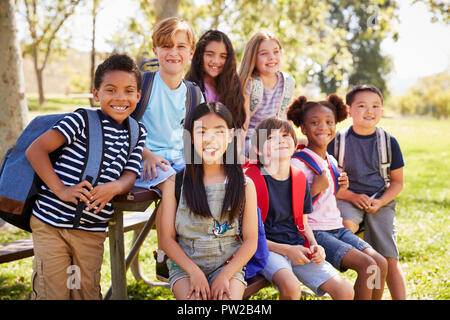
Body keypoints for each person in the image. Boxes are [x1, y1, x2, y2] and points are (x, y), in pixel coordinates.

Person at [25, 54, 147, 299]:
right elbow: (36, 150)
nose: (120, 97)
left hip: (91, 229)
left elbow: (130, 174)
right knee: (55, 293)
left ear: (138, 96)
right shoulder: (80, 120)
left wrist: (115, 187)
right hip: (51, 223)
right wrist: (61, 190)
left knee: (86, 291)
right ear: (96, 94)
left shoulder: (137, 132)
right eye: (110, 90)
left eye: (128, 91)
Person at [288, 94, 388, 300]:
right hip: (316, 232)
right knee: (368, 266)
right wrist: (315, 189)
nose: (323, 127)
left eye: (328, 122)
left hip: (337, 227)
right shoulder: (297, 164)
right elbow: (290, 207)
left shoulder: (331, 160)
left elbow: (327, 196)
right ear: (304, 129)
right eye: (314, 123)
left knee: (381, 263)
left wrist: (340, 187)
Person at [158, 102, 258, 300]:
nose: (210, 139)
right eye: (202, 132)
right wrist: (194, 273)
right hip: (185, 267)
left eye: (219, 132)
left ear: (230, 136)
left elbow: (251, 240)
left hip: (228, 266)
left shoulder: (245, 184)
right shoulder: (175, 183)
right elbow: (166, 239)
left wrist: (225, 275)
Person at [248, 117, 354, 300]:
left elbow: (303, 223)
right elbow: (246, 235)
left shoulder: (299, 178)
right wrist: (287, 250)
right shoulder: (250, 181)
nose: (280, 140)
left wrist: (314, 245)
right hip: (265, 248)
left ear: (295, 144)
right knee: (291, 287)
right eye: (271, 138)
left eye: (285, 135)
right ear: (258, 149)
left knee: (345, 291)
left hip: (297, 247)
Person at [327, 84, 407, 300]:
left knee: (388, 258)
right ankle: (355, 278)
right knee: (347, 228)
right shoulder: (337, 141)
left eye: (375, 106)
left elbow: (397, 183)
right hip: (346, 197)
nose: (369, 111)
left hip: (380, 201)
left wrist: (380, 202)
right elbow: (327, 182)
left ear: (382, 110)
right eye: (362, 106)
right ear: (349, 110)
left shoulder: (389, 143)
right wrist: (351, 196)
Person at [134, 16, 202, 191]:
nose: (173, 52)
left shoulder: (194, 93)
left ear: (191, 52)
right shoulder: (141, 86)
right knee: (172, 183)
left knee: (224, 181)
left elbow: (202, 133)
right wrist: (146, 154)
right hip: (143, 161)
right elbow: (120, 128)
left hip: (181, 162)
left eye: (181, 46)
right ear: (155, 51)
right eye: (166, 46)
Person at [238, 30, 296, 158]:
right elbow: (243, 124)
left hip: (277, 138)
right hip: (252, 141)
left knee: (306, 145)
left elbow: (284, 118)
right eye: (264, 53)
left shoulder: (287, 82)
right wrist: (239, 155)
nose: (272, 57)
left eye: (276, 52)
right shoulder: (250, 83)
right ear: (253, 57)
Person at [185, 30, 246, 134]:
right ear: (200, 56)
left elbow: (238, 124)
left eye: (222, 56)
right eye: (209, 54)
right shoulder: (191, 87)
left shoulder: (233, 85)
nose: (216, 61)